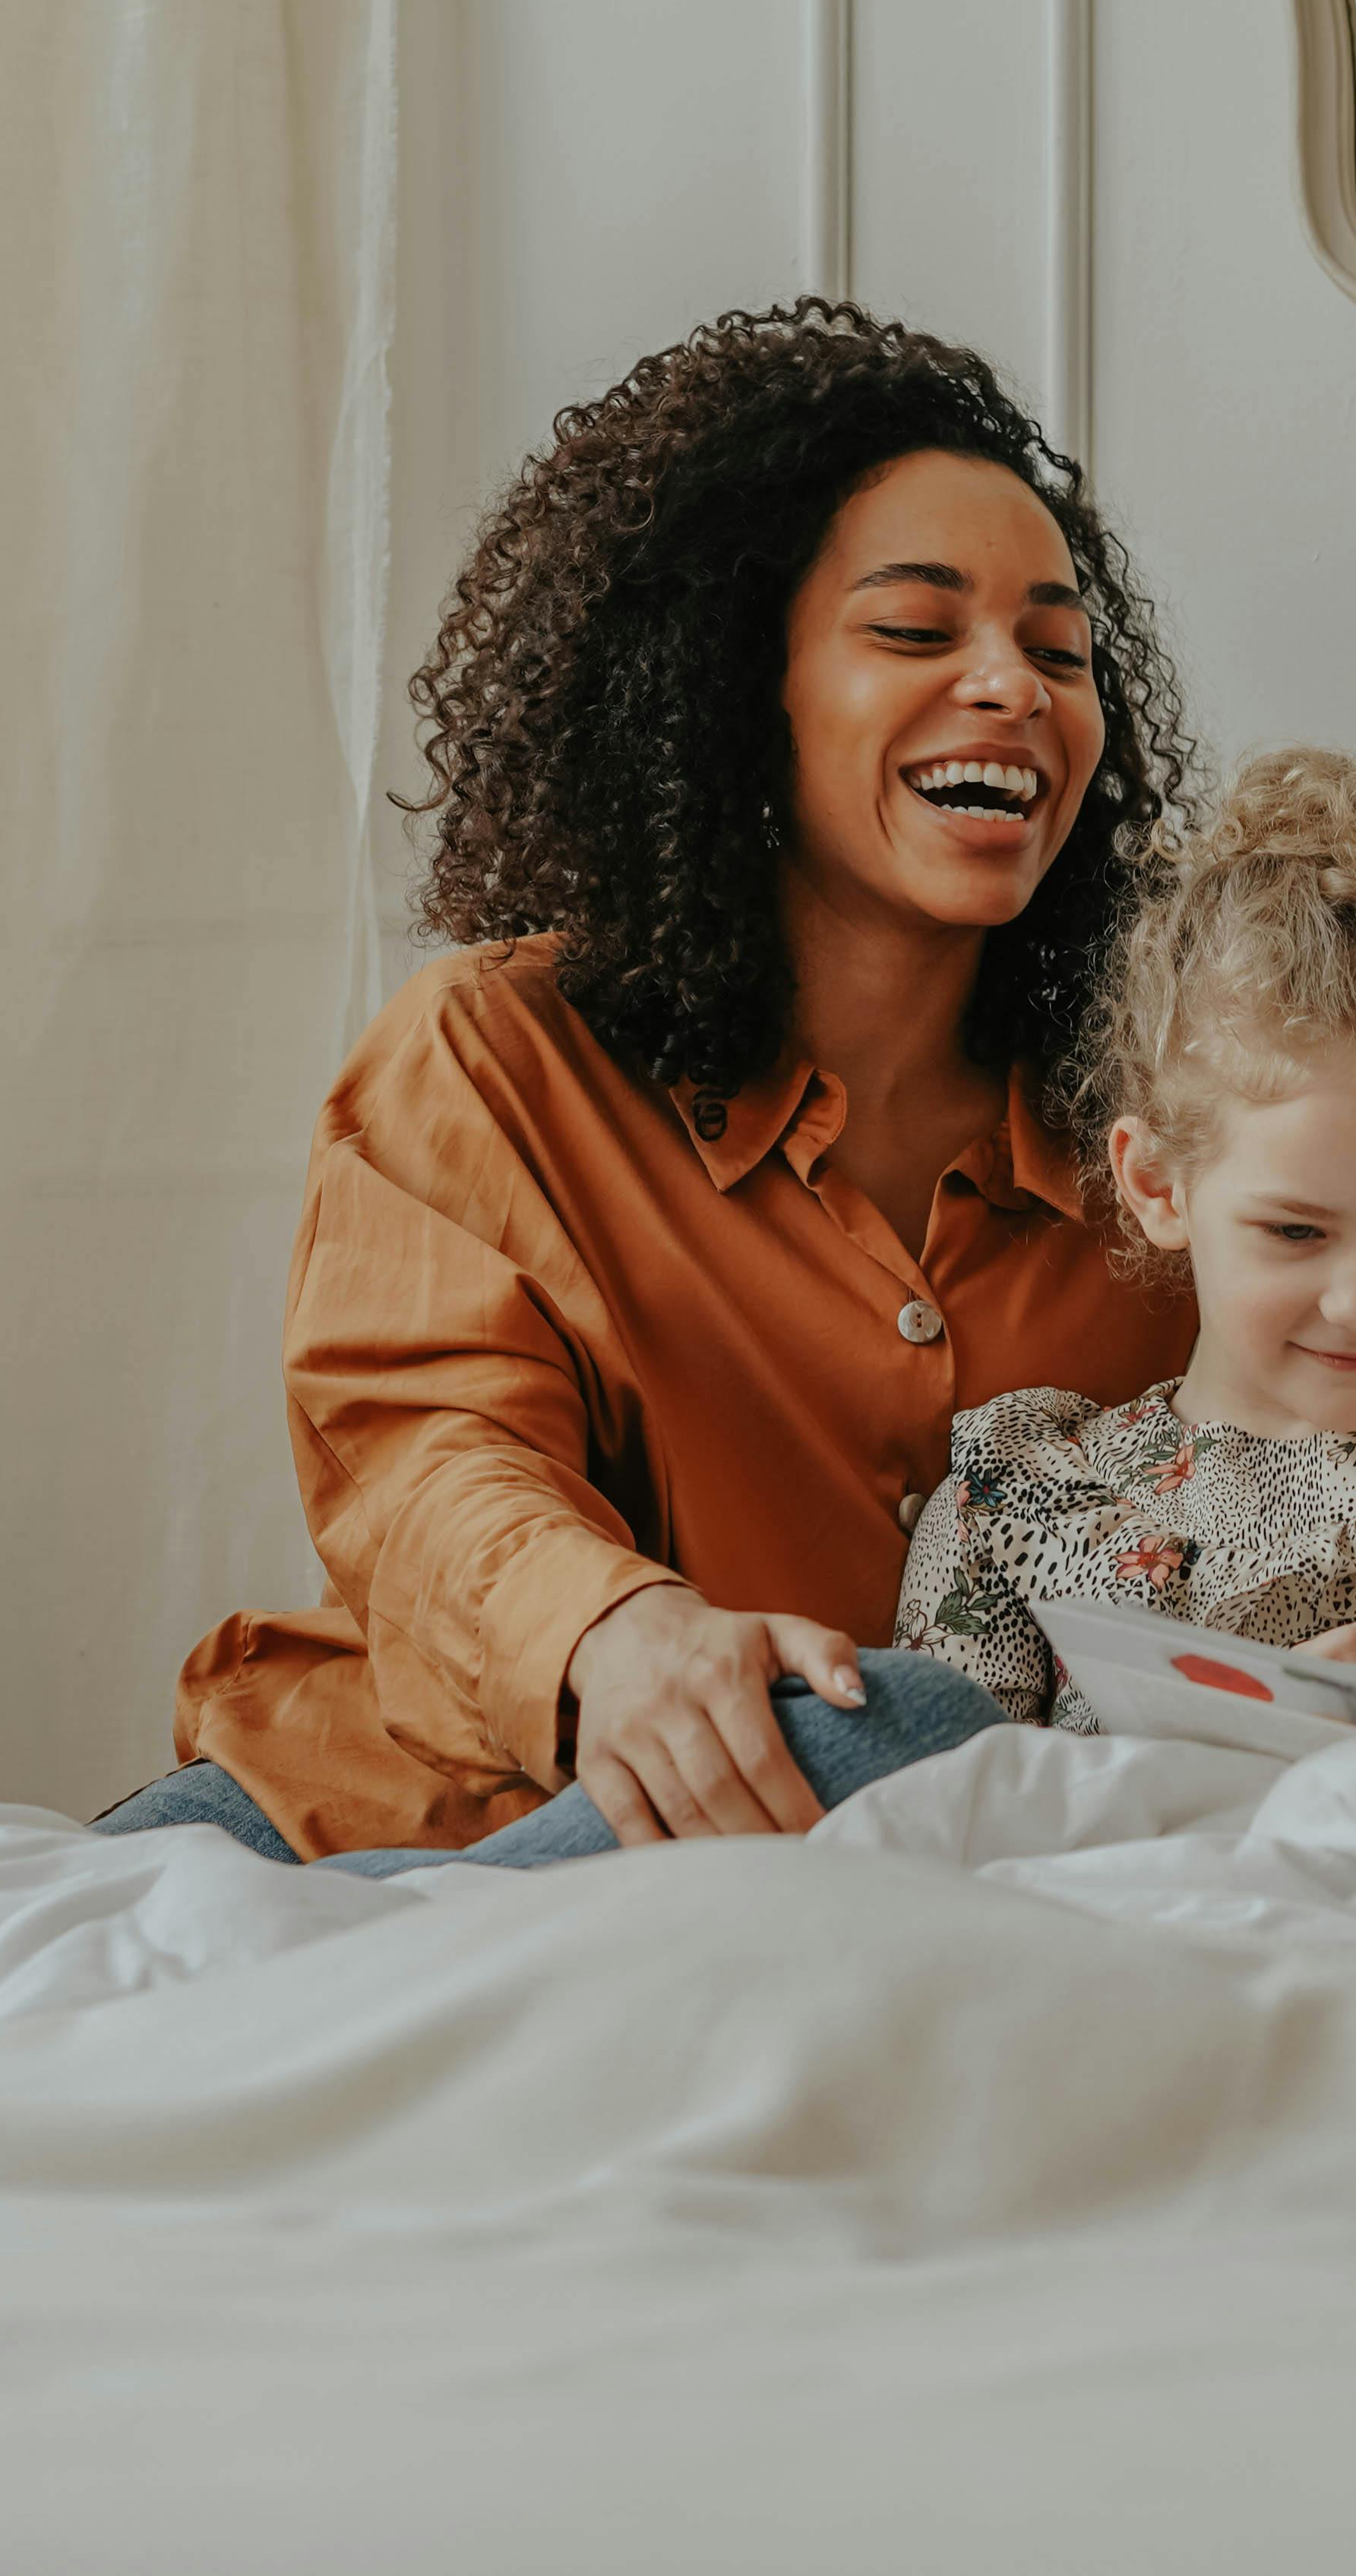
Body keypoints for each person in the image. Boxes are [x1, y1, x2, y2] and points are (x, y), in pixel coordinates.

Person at [93, 301, 1200, 1864]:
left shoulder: (1170, 1148)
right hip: (367, 1825)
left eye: (1057, 648)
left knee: (923, 1731)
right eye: (914, 630)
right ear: (741, 689)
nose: (1013, 686)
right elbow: (425, 1455)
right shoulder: (492, 1054)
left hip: (812, 1861)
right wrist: (613, 1634)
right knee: (918, 1732)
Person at [306, 747, 1356, 1874]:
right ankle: (417, 1920)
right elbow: (942, 1841)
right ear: (1155, 1185)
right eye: (1293, 1230)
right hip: (1085, 1943)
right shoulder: (1020, 1485)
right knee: (897, 1716)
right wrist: (1243, 1738)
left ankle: (416, 1927)